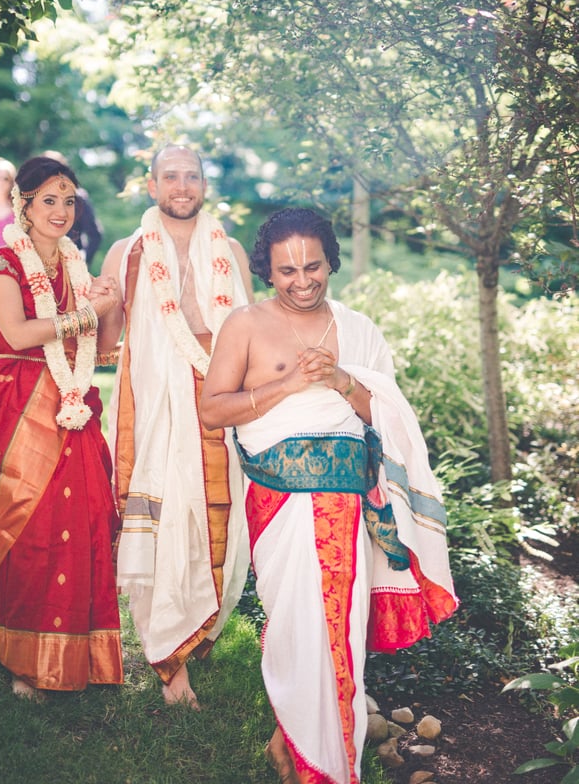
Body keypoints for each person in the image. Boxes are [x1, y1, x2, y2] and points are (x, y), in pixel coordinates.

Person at [200, 207, 458, 784]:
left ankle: (309, 756)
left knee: (334, 627)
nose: (301, 280)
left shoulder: (360, 328)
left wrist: (343, 381)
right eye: (286, 270)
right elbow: (212, 409)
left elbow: (388, 419)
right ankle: (303, 744)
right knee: (297, 622)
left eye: (312, 266)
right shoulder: (243, 325)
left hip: (346, 501)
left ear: (330, 261)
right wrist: (287, 384)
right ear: (268, 269)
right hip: (278, 500)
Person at [98, 143, 254, 708]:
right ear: (151, 185)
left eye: (192, 176)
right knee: (163, 525)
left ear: (205, 183)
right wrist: (100, 303)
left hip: (218, 401)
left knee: (218, 518)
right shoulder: (128, 252)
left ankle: (199, 627)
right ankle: (168, 657)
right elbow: (106, 342)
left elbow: (252, 333)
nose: (182, 186)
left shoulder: (230, 250)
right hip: (156, 405)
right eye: (171, 177)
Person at [0, 155, 124, 698]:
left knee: (81, 519)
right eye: (48, 200)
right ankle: (23, 656)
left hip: (74, 400)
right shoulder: (3, 263)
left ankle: (81, 653)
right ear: (24, 204)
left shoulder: (79, 268)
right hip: (21, 405)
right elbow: (16, 330)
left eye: (68, 200)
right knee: (29, 524)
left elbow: (103, 352)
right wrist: (87, 313)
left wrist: (111, 305)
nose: (60, 211)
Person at [42, 151, 103, 266]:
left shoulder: (77, 198)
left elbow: (95, 235)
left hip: (70, 267)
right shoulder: (33, 198)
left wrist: (83, 260)